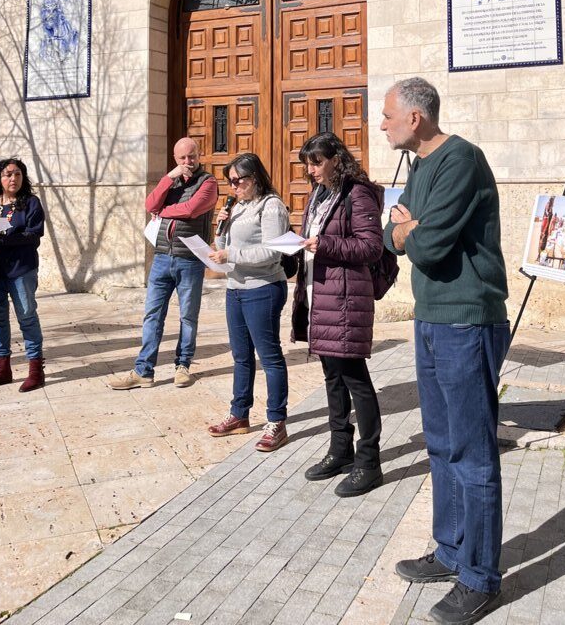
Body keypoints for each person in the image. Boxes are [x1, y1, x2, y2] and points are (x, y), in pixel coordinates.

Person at [381, 77, 509, 625]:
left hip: (466, 320)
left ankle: (480, 577)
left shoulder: (461, 160)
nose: (381, 123)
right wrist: (406, 230)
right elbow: (394, 234)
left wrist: (410, 231)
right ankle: (451, 550)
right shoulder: (418, 168)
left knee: (473, 452)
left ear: (416, 118)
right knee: (439, 443)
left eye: (388, 115)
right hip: (431, 318)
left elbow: (426, 245)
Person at [291, 132, 385, 497]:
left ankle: (369, 461)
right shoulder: (320, 194)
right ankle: (340, 450)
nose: (311, 170)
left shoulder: (356, 193)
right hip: (320, 295)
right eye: (307, 164)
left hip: (345, 299)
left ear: (336, 158)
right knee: (332, 377)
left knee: (355, 379)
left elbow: (371, 246)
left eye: (316, 162)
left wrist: (325, 244)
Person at [110, 137, 218, 389]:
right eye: (182, 158)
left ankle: (183, 366)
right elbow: (149, 204)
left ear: (199, 156)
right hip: (161, 257)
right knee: (152, 315)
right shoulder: (171, 181)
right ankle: (143, 371)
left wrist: (164, 210)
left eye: (192, 156)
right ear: (175, 159)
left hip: (189, 259)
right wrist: (168, 178)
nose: (187, 162)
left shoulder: (208, 182)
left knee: (188, 316)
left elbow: (191, 209)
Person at [206, 153, 290, 453]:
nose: (233, 188)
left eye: (237, 181)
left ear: (254, 178)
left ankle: (276, 421)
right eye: (229, 182)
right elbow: (223, 249)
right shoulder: (237, 207)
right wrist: (221, 230)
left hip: (263, 288)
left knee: (269, 357)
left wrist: (232, 256)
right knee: (241, 356)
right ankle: (239, 414)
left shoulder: (271, 206)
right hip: (235, 288)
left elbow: (272, 252)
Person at [0, 157, 47, 392]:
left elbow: (34, 235)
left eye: (17, 174)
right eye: (7, 174)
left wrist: (2, 239)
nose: (12, 178)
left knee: (26, 316)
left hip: (21, 270)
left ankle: (36, 370)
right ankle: (1, 369)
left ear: (23, 178)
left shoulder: (31, 204)